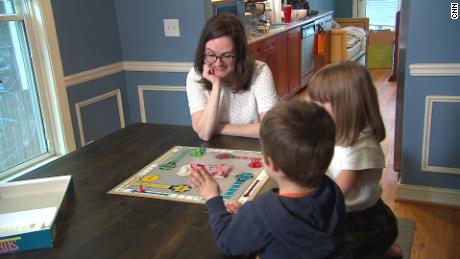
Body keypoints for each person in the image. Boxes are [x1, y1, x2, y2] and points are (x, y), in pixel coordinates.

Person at [188, 100, 349, 259]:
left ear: (272, 165)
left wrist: (213, 199)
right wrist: (245, 216)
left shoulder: (260, 212)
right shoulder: (333, 189)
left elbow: (228, 243)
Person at [306, 61, 401, 259]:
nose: (312, 108)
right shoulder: (335, 132)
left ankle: (380, 250)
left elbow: (335, 194)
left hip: (361, 223)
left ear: (346, 106)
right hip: (349, 213)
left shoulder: (362, 148)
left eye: (319, 103)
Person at [186, 13, 278, 141]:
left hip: (256, 148)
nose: (218, 63)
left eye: (227, 55)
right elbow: (204, 134)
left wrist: (217, 128)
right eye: (210, 54)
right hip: (215, 152)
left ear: (240, 54)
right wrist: (216, 84)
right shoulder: (195, 76)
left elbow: (271, 129)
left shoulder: (260, 72)